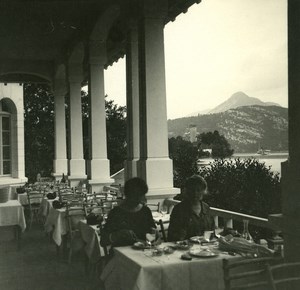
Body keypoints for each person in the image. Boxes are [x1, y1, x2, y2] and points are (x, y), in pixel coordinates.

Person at [101, 177, 157, 247]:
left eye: (142, 196)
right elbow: (103, 241)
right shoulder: (116, 213)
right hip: (121, 254)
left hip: (142, 253)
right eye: (137, 196)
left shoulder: (145, 211)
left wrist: (155, 238)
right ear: (128, 195)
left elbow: (153, 234)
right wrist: (118, 234)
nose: (141, 200)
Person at [168, 174, 215, 241]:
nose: (195, 193)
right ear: (187, 191)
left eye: (198, 190)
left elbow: (212, 231)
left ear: (203, 191)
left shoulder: (206, 208)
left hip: (204, 248)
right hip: (185, 249)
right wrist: (180, 236)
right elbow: (171, 236)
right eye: (192, 190)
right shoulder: (179, 209)